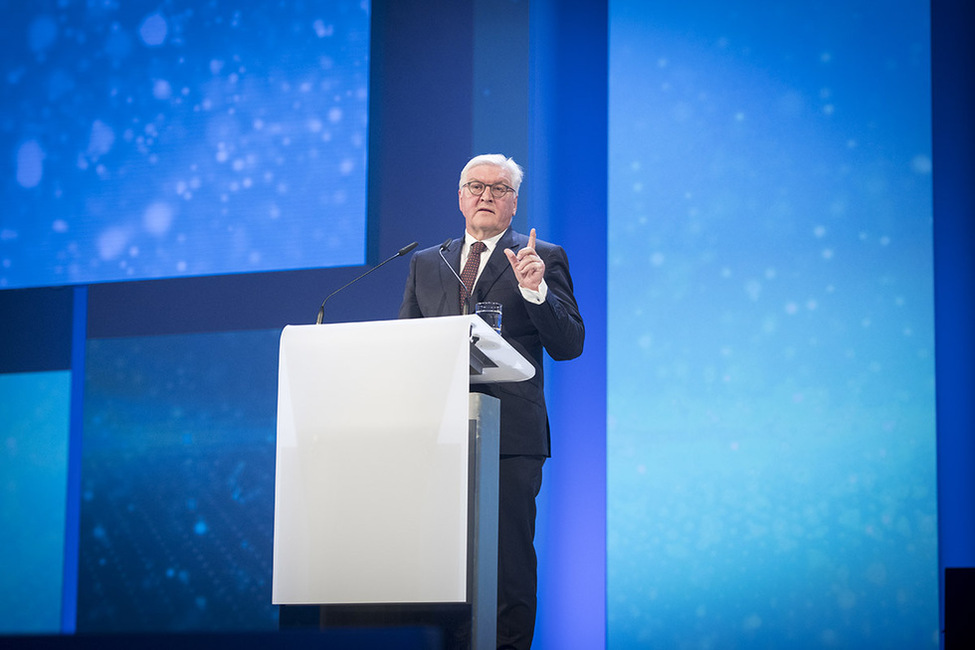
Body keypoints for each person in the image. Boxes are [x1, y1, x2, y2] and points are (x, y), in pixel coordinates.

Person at [399, 154, 585, 649]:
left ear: (514, 202)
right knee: (443, 566)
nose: (486, 195)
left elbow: (570, 345)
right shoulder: (425, 263)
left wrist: (537, 291)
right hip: (440, 438)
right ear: (460, 196)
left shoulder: (540, 256)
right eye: (475, 186)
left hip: (510, 435)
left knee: (507, 565)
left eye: (499, 189)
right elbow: (406, 348)